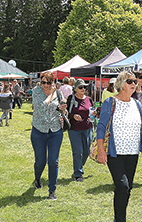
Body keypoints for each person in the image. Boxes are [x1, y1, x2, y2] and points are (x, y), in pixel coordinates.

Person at [96, 71, 142, 222]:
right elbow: (101, 127)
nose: (134, 83)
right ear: (122, 84)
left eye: (134, 81)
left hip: (132, 153)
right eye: (130, 81)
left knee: (128, 187)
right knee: (122, 186)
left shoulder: (137, 104)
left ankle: (119, 215)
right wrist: (101, 150)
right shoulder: (110, 102)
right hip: (115, 153)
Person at [30, 71, 67, 200]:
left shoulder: (59, 92)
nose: (45, 85)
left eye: (48, 82)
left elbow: (63, 109)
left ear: (53, 82)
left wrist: (63, 108)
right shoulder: (36, 91)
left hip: (55, 131)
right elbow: (40, 107)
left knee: (53, 161)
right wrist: (51, 94)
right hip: (39, 131)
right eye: (43, 82)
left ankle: (52, 190)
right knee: (40, 161)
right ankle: (37, 178)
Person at [67, 78, 94, 182]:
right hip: (74, 129)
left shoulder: (89, 99)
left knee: (86, 151)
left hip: (87, 128)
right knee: (78, 151)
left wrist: (93, 114)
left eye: (84, 87)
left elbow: (91, 111)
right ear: (75, 89)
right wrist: (73, 116)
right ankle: (78, 174)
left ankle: (78, 165)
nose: (83, 89)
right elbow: (66, 113)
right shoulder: (71, 98)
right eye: (81, 87)